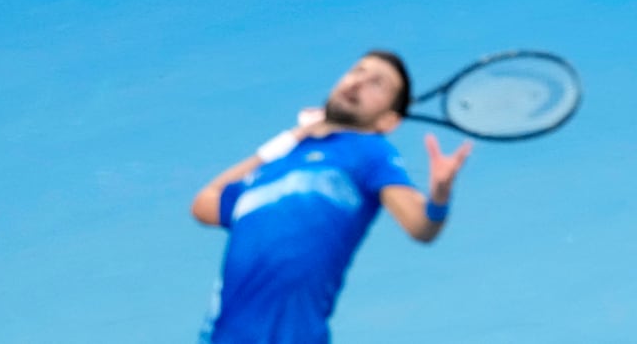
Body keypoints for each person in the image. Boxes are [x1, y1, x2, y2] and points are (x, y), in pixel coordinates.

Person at [192, 50, 472, 342]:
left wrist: (439, 196)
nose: (358, 82)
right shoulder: (275, 166)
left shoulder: (370, 152)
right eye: (357, 71)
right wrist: (291, 138)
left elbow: (420, 226)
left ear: (388, 122)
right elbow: (204, 204)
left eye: (377, 83)